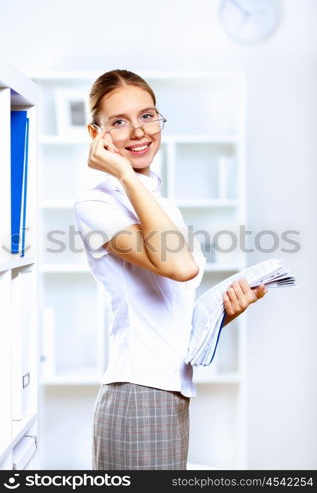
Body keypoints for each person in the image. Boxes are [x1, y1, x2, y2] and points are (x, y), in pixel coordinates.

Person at [73, 69, 267, 470]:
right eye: (119, 122)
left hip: (170, 392)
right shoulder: (97, 206)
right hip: (138, 395)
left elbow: (169, 313)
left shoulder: (163, 207)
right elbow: (178, 265)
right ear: (98, 136)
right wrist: (125, 174)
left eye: (147, 116)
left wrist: (224, 313)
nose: (139, 132)